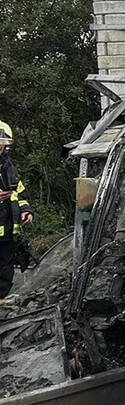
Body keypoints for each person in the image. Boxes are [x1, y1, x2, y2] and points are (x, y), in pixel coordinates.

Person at [0, 121, 32, 299]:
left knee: (5, 271)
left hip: (8, 233)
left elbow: (19, 193)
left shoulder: (8, 167)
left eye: (2, 144)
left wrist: (26, 211)